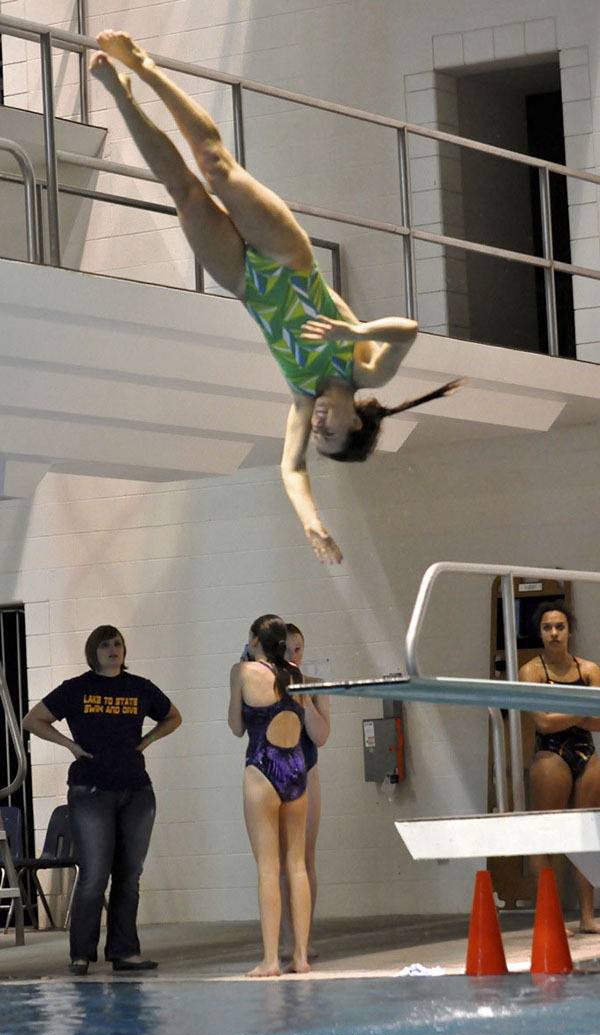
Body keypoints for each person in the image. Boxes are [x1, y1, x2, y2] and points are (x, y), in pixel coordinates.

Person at [89, 30, 461, 565]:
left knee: (184, 192)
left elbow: (291, 469)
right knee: (216, 167)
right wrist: (353, 332)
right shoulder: (367, 372)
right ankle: (146, 68)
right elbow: (408, 330)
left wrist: (313, 523)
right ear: (355, 420)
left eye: (319, 437)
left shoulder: (303, 396)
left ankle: (122, 95)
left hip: (246, 283)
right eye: (331, 433)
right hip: (289, 258)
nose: (318, 429)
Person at [22, 625, 182, 974]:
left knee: (128, 873)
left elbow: (173, 717)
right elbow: (33, 720)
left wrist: (148, 739)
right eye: (106, 645)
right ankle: (81, 953)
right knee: (94, 873)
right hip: (91, 791)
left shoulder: (140, 687)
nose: (113, 649)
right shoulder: (77, 689)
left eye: (118, 644)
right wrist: (70, 745)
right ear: (93, 651)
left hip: (136, 790)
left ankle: (124, 952)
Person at [228, 614, 328, 976]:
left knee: (268, 869)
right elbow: (314, 729)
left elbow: (236, 727)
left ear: (255, 640)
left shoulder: (242, 672)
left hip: (261, 770)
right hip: (297, 770)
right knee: (298, 865)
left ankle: (272, 959)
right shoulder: (296, 676)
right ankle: (300, 957)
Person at [519, 601, 600, 933]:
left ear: (569, 631)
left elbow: (597, 722)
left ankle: (586, 916)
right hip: (550, 753)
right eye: (547, 628)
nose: (554, 634)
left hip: (584, 750)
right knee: (547, 832)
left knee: (587, 833)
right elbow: (543, 723)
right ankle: (548, 915)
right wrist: (581, 712)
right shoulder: (532, 671)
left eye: (560, 627)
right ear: (540, 633)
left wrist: (567, 714)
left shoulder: (589, 670)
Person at [280, 623, 330, 957]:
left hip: (306, 770)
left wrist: (305, 703)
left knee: (304, 857)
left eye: (298, 649)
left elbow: (322, 736)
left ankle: (303, 937)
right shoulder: (263, 685)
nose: (293, 656)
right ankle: (285, 938)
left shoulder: (315, 686)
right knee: (281, 861)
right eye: (286, 649)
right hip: (274, 774)